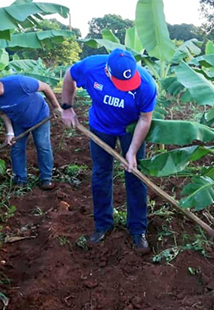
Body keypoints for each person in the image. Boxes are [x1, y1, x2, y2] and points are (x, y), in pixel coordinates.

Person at [60, 48, 157, 253]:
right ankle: (103, 224)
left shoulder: (146, 85)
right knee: (101, 173)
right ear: (107, 72)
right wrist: (66, 107)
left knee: (135, 175)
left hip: (130, 130)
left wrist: (131, 151)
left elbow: (145, 119)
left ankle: (138, 229)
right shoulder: (91, 67)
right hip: (100, 128)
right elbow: (70, 75)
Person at [0, 73, 60, 190]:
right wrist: (10, 132)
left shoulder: (21, 83)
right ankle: (20, 180)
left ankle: (46, 179)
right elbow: (2, 113)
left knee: (43, 145)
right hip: (18, 121)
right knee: (16, 147)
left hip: (40, 116)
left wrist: (56, 107)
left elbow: (45, 87)